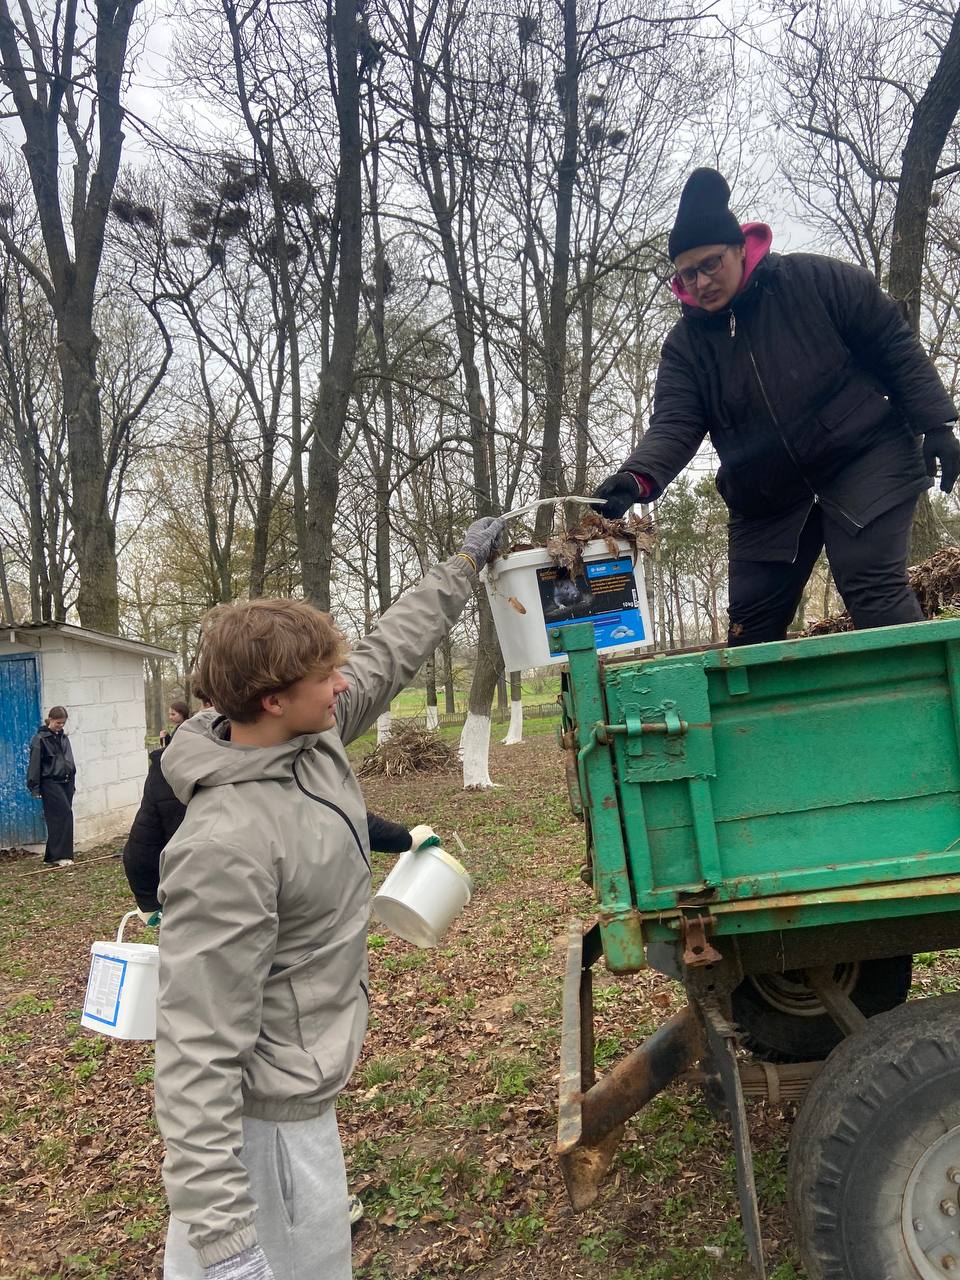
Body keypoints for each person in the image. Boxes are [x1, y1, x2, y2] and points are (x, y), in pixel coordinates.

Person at [154, 516, 504, 1280]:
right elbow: (195, 1050)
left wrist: (462, 567)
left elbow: (389, 651)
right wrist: (224, 1244)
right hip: (261, 1143)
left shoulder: (310, 743)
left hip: (305, 1107)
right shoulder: (224, 847)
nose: (343, 685)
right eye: (325, 677)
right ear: (273, 700)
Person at [594, 167, 960, 646]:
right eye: (688, 273)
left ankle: (924, 694)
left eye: (710, 264)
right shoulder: (686, 347)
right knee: (749, 630)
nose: (701, 282)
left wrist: (938, 423)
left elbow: (892, 342)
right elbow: (675, 423)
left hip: (864, 456)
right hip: (766, 493)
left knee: (871, 587)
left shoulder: (815, 281)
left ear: (741, 248)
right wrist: (637, 478)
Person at [27, 706, 77, 868]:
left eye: (63, 723)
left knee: (60, 818)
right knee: (64, 815)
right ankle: (62, 855)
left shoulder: (64, 738)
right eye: (58, 723)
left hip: (66, 782)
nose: (60, 726)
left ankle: (52, 856)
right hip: (50, 782)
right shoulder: (40, 739)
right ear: (50, 719)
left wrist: (72, 781)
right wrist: (35, 787)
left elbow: (69, 760)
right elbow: (34, 764)